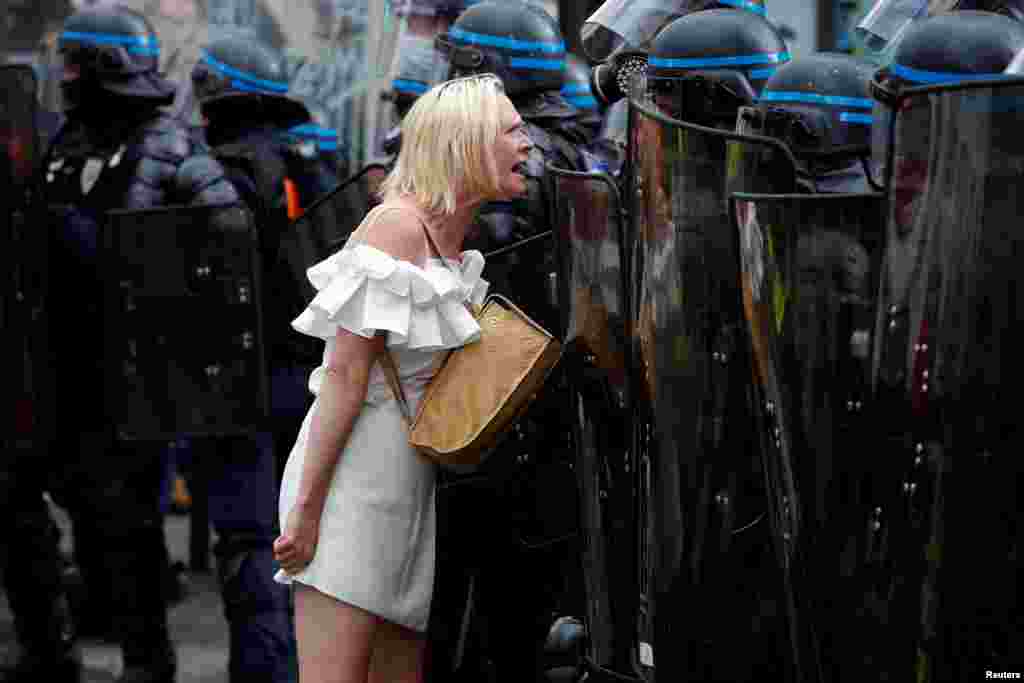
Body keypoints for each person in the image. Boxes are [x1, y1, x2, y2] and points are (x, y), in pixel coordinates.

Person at [272, 72, 531, 683]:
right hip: (350, 483)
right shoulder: (396, 225)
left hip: (408, 487)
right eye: (513, 131)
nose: (529, 144)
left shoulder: (454, 242)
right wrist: (308, 512)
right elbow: (342, 375)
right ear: (466, 141)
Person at [31, 5, 239, 683]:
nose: (63, 77)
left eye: (72, 64)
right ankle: (71, 645)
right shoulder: (67, 143)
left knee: (130, 526)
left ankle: (150, 662)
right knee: (75, 512)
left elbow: (227, 236)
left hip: (135, 378)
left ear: (102, 68)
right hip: (62, 370)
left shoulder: (170, 145)